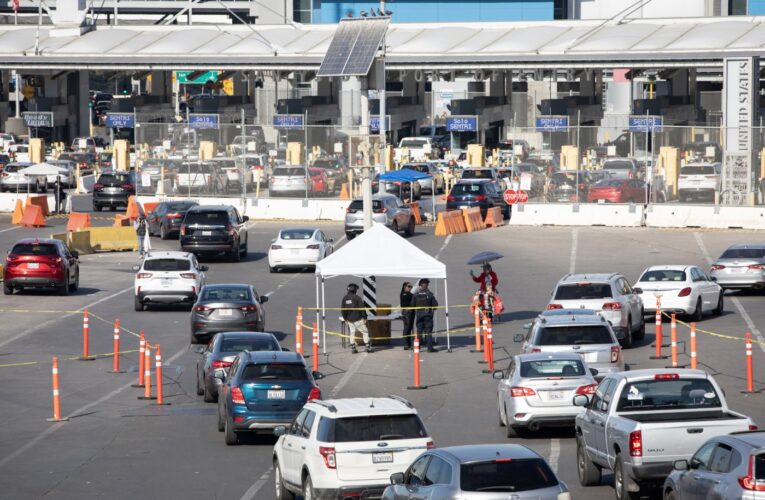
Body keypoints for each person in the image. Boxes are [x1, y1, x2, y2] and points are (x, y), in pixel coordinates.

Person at [340, 283, 371, 353]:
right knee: (365, 332)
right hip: (358, 319)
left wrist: (345, 319)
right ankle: (367, 346)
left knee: (352, 333)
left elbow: (343, 309)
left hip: (350, 320)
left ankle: (353, 347)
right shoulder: (357, 297)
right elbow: (362, 308)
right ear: (355, 290)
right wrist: (365, 317)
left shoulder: (345, 298)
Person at [413, 278, 438, 352]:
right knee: (428, 332)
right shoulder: (429, 294)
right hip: (428, 315)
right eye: (427, 284)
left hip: (419, 315)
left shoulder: (416, 294)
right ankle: (430, 348)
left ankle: (417, 347)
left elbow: (412, 304)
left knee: (419, 331)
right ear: (426, 285)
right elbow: (435, 305)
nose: (427, 285)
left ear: (420, 285)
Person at [400, 282, 415, 350]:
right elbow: (405, 303)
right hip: (406, 312)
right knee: (407, 328)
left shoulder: (410, 294)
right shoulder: (404, 294)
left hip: (411, 312)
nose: (410, 287)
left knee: (410, 328)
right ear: (404, 287)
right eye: (409, 286)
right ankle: (406, 344)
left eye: (411, 286)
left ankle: (409, 344)